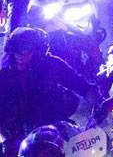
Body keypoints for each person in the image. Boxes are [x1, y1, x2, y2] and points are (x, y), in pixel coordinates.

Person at [0, 27, 95, 157]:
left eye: (24, 51)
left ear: (38, 50)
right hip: (18, 134)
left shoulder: (52, 64)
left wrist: (101, 105)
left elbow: (83, 87)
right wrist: (5, 140)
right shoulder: (4, 74)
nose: (19, 56)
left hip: (55, 130)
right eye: (15, 51)